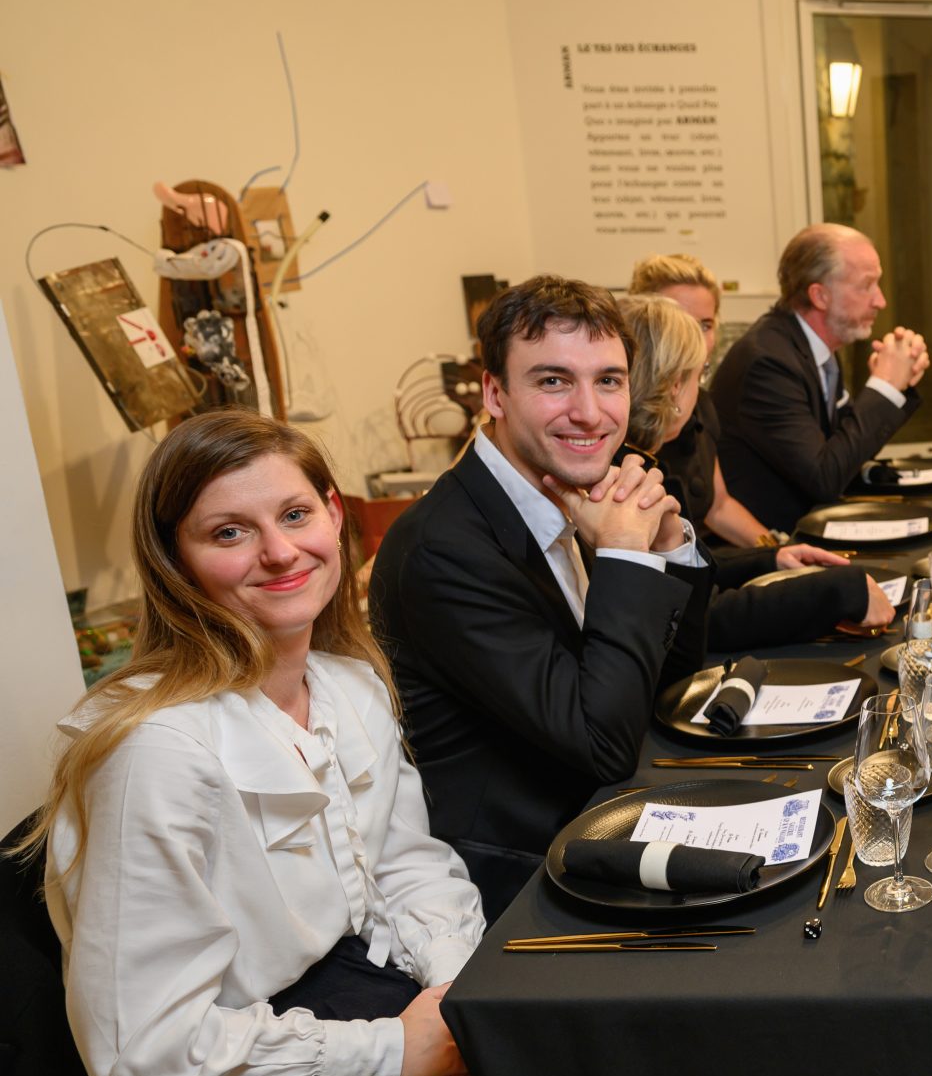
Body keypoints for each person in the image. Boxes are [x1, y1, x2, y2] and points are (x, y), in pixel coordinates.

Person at [38, 412, 511, 1076]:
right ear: (174, 561)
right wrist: (396, 1051)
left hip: (355, 996)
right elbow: (143, 1062)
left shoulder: (347, 683)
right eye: (230, 531)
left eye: (295, 514)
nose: (281, 552)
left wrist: (456, 1010)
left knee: (558, 1060)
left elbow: (406, 866)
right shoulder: (157, 751)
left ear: (335, 513)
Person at [369, 276, 713, 917]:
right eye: (554, 381)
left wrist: (666, 547)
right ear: (494, 393)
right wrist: (624, 556)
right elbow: (600, 744)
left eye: (608, 381)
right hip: (520, 880)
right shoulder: (444, 549)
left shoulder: (565, 483)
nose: (590, 412)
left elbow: (670, 680)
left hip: (599, 815)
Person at [615, 293, 893, 649]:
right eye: (700, 375)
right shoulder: (626, 480)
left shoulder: (643, 459)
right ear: (673, 387)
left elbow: (693, 572)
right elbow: (694, 616)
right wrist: (837, 592)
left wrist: (771, 558)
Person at [709, 224, 929, 533]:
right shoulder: (769, 363)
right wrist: (885, 387)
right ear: (820, 295)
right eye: (867, 285)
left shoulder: (811, 346)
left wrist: (897, 385)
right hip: (773, 547)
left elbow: (844, 451)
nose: (880, 301)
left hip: (812, 526)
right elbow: (825, 476)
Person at [627, 252, 779, 549]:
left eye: (705, 325)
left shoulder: (702, 405)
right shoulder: (621, 422)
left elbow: (718, 506)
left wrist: (775, 548)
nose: (694, 337)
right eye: (680, 322)